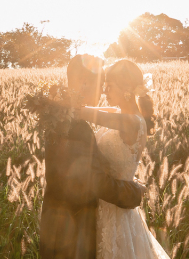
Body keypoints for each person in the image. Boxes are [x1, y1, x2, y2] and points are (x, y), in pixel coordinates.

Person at [40, 54, 146, 259]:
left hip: (82, 223)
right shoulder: (72, 126)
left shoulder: (65, 120)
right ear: (85, 83)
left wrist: (68, 106)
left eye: (108, 85)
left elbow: (100, 113)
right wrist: (135, 191)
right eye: (101, 85)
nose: (104, 92)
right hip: (71, 232)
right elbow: (93, 181)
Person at [74, 59, 170, 259]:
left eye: (109, 86)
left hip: (115, 208)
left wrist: (63, 102)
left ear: (126, 89)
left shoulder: (130, 121)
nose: (104, 91)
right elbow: (97, 112)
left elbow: (85, 113)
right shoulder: (124, 114)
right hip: (109, 198)